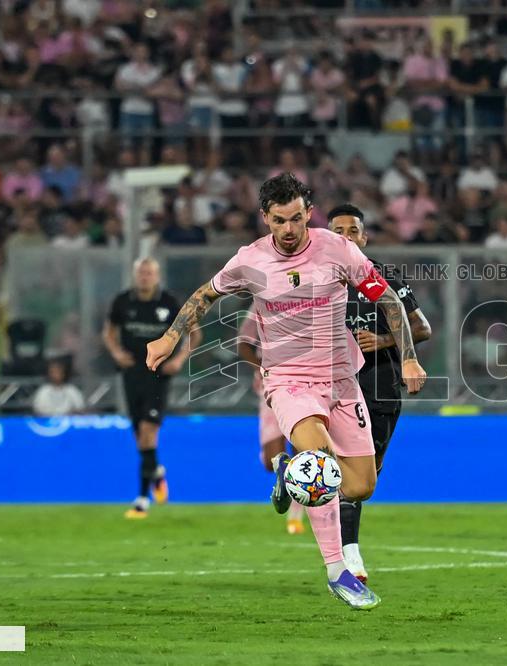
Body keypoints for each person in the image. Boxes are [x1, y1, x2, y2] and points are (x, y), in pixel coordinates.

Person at [145, 174, 427, 610]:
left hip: (341, 381)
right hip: (289, 381)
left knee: (360, 485)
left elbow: (388, 300)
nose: (290, 230)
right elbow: (205, 296)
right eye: (280, 221)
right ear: (266, 219)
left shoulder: (338, 249)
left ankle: (287, 469)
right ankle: (339, 572)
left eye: (297, 218)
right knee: (319, 468)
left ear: (308, 214)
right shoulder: (250, 260)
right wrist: (169, 339)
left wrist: (408, 357)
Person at [327, 203, 432, 583]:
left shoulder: (382, 276)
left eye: (352, 230)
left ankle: (297, 477)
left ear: (364, 237)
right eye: (337, 230)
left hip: (381, 383)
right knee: (343, 470)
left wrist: (383, 340)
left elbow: (422, 328)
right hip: (336, 385)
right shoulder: (318, 280)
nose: (345, 237)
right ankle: (349, 556)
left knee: (366, 479)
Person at [103, 258, 194, 519]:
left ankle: (142, 499)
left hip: (158, 375)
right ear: (135, 275)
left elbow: (194, 333)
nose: (144, 277)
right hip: (131, 373)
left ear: (157, 276)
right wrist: (116, 353)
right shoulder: (123, 302)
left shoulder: (169, 303)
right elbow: (108, 332)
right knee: (140, 437)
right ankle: (156, 472)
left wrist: (178, 360)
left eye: (149, 273)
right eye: (141, 273)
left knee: (147, 432)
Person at [237, 311, 305, 536]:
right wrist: (261, 367)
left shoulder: (312, 299)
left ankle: (295, 517)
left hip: (304, 386)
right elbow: (244, 344)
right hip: (270, 390)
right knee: (270, 461)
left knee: (301, 452)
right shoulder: (261, 301)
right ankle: (282, 471)